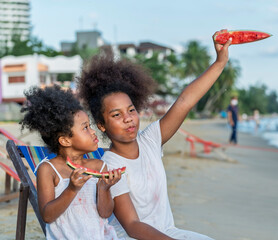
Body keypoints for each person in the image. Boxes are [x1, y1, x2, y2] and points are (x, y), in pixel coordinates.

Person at [77, 29, 232, 239]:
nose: (128, 118)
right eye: (116, 115)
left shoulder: (150, 140)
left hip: (168, 232)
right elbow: (132, 225)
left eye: (131, 110)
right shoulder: (110, 166)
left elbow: (185, 101)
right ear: (102, 125)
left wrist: (220, 62)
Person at [20, 85, 123, 239]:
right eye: (86, 128)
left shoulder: (99, 166)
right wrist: (71, 189)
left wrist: (104, 188)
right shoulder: (48, 170)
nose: (93, 131)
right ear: (65, 140)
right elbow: (47, 216)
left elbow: (105, 213)